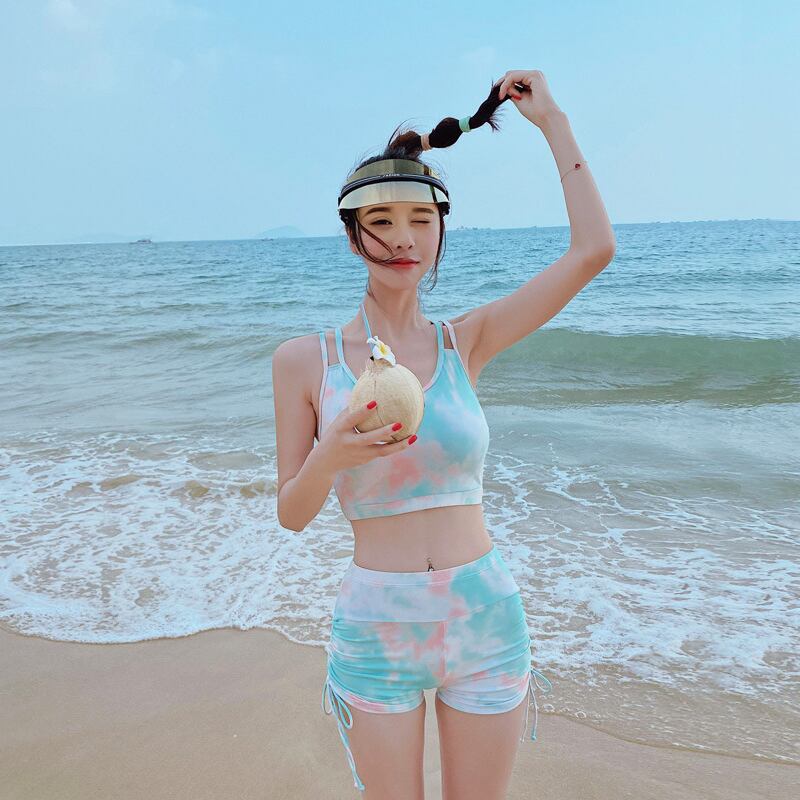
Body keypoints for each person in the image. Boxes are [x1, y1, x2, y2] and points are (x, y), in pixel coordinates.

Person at [272, 69, 616, 798]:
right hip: (377, 626)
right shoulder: (307, 362)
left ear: (440, 228)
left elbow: (592, 251)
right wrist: (330, 453)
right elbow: (292, 514)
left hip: (484, 616)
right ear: (352, 233)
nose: (404, 239)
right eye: (382, 221)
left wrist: (552, 122)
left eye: (421, 221)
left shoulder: (468, 342)